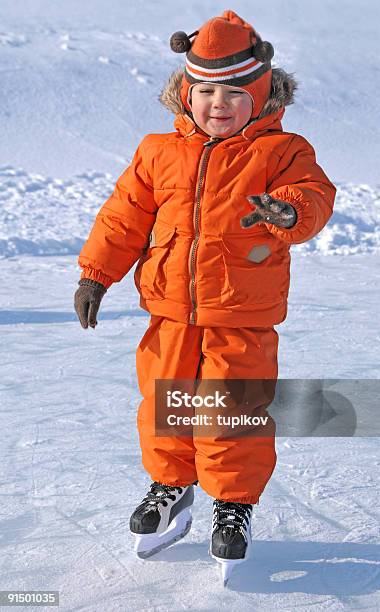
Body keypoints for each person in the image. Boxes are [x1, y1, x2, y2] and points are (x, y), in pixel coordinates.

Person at [74, 10, 336, 579]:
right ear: (186, 94)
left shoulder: (281, 151)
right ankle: (170, 487)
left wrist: (288, 209)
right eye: (207, 91)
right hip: (169, 310)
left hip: (241, 313)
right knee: (164, 403)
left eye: (235, 93)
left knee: (231, 409)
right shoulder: (156, 151)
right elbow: (124, 216)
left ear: (261, 96)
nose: (219, 103)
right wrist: (96, 273)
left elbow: (315, 194)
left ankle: (232, 504)